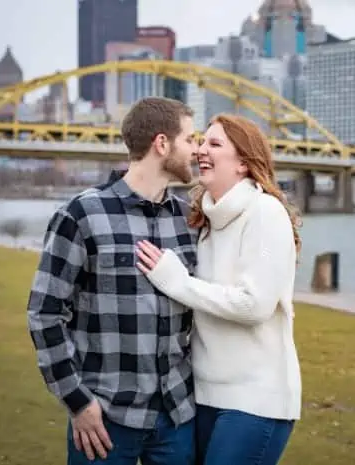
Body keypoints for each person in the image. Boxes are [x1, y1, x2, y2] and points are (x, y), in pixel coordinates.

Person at [26, 96, 200, 465]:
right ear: (162, 143)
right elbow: (44, 313)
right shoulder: (81, 215)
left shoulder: (188, 219)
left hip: (176, 418)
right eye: (190, 139)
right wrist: (77, 402)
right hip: (105, 420)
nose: (197, 150)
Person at [134, 113, 302, 465]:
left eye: (214, 144)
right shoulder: (204, 221)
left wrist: (179, 283)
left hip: (256, 400)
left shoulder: (265, 213)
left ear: (243, 162)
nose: (200, 151)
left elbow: (255, 305)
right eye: (200, 142)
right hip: (203, 397)